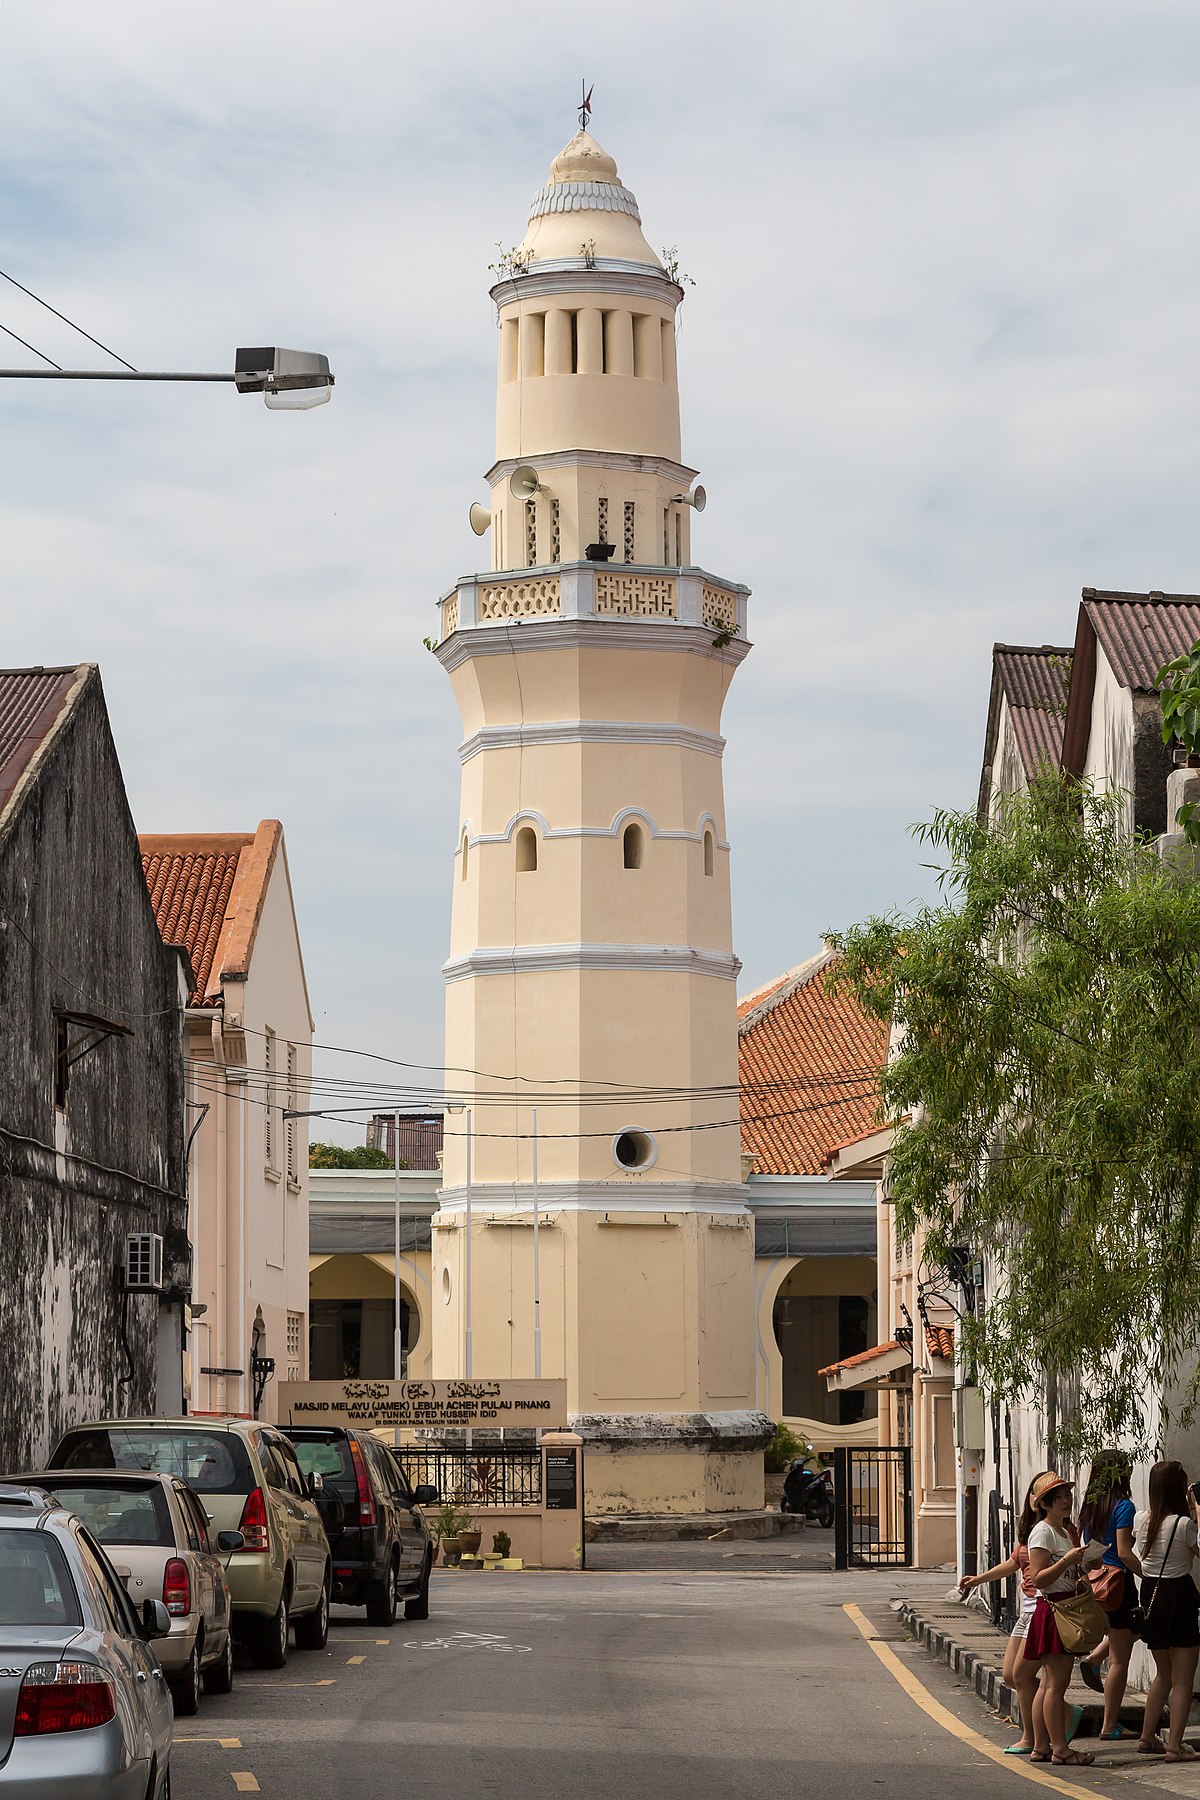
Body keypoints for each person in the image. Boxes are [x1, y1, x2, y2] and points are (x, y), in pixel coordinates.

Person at [960, 1470, 1053, 1754]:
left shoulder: (1053, 1528)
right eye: (1039, 1492)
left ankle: (1034, 1735)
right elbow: (1013, 1563)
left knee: (1024, 1676)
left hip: (1042, 1606)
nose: (1041, 1498)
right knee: (1011, 1675)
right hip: (1026, 1609)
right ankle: (1055, 1711)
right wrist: (978, 1579)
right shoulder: (1032, 1528)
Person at [1024, 1470, 1094, 1766]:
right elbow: (1038, 1578)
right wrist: (1068, 1560)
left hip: (1062, 1606)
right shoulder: (1044, 1532)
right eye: (1059, 1498)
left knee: (1048, 1683)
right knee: (1056, 1684)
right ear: (1046, 1504)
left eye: (1067, 1496)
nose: (1066, 1501)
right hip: (1054, 1610)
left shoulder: (1064, 1531)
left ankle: (1042, 1746)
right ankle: (1060, 1749)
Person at [1136, 1460, 1200, 1762]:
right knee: (1183, 1679)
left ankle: (1147, 1737)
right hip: (1180, 1596)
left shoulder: (1142, 1520)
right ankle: (1174, 1746)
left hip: (1150, 1593)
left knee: (1163, 1673)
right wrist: (1197, 1510)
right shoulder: (1184, 1524)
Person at [1077, 1449, 1141, 1739]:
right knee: (1120, 1660)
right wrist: (1147, 1574)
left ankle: (1093, 1658)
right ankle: (1109, 1724)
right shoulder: (1123, 1506)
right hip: (1119, 1584)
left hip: (1097, 1581)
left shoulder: (1090, 1505)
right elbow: (1125, 1552)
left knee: (1130, 1632)